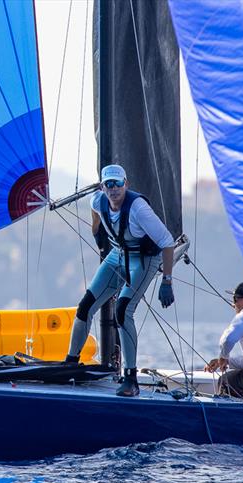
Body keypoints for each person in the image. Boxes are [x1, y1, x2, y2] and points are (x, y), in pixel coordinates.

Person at [63, 164, 175, 397]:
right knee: (85, 306)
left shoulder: (138, 209)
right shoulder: (98, 200)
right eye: (109, 184)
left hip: (143, 259)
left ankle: (130, 378)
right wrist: (97, 232)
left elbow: (167, 241)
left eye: (118, 184)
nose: (114, 189)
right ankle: (70, 363)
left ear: (126, 184)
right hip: (116, 254)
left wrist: (167, 281)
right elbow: (94, 210)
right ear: (103, 187)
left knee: (123, 310)